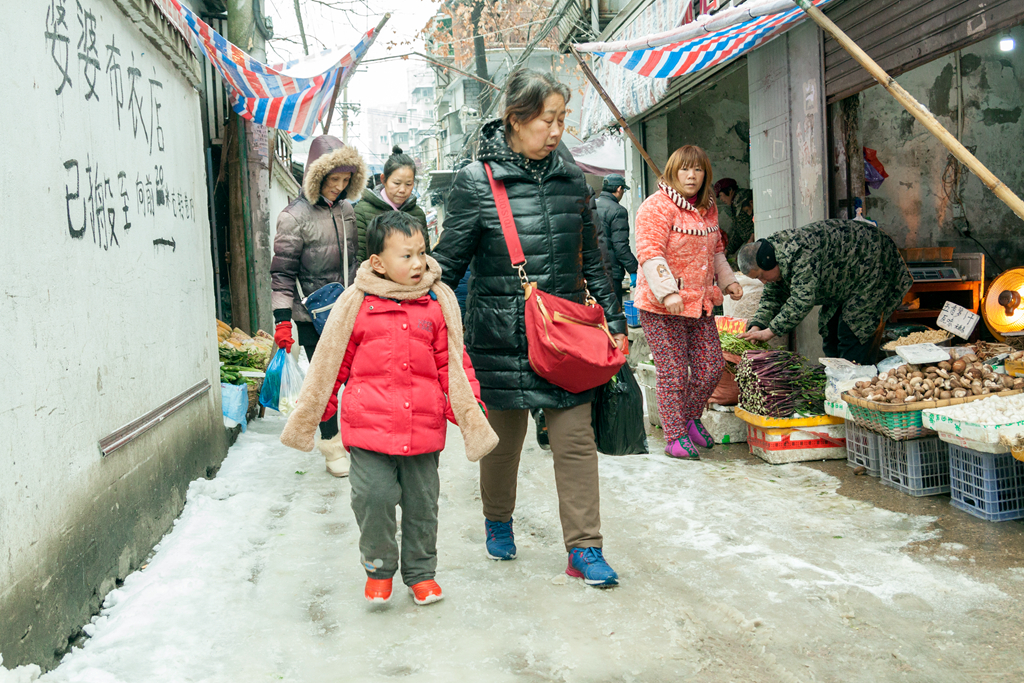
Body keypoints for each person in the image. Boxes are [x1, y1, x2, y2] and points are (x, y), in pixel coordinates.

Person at [432, 68, 627, 588]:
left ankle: (585, 549)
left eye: (563, 119)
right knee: (503, 441)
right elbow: (447, 264)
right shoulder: (476, 182)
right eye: (548, 119)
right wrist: (418, 310)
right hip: (500, 336)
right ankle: (498, 519)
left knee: (575, 440)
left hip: (565, 337)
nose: (558, 129)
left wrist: (614, 319)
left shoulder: (573, 180)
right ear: (516, 119)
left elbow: (595, 261)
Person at [282, 211, 492, 606]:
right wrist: (316, 412)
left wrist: (468, 408)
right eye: (406, 256)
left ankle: (421, 574)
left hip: (423, 428)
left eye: (422, 254)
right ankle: (378, 567)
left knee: (422, 506)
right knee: (372, 497)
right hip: (368, 429)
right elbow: (332, 361)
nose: (419, 264)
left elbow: (454, 363)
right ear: (377, 262)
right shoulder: (356, 305)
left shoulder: (436, 304)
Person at [634, 145, 743, 460]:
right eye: (684, 169)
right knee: (674, 372)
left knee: (711, 366)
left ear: (705, 174)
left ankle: (690, 417)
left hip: (699, 304)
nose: (691, 176)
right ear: (673, 172)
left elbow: (717, 250)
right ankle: (674, 435)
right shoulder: (657, 206)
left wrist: (729, 282)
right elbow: (649, 251)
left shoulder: (708, 207)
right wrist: (668, 292)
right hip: (660, 306)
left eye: (697, 170)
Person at [270, 134, 366, 477]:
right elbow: (281, 273)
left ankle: (356, 436)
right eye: (332, 180)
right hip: (311, 315)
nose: (338, 187)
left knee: (355, 376)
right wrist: (283, 322)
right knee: (324, 380)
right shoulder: (292, 218)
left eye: (344, 180)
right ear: (315, 176)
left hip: (348, 308)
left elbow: (354, 263)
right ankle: (332, 444)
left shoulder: (347, 211)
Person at [736, 219, 913, 365]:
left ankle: (855, 388)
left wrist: (769, 332)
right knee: (830, 333)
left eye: (761, 276)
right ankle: (838, 385)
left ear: (768, 262)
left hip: (871, 263)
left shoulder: (800, 254)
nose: (763, 282)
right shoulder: (773, 259)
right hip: (843, 279)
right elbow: (771, 297)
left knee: (854, 332)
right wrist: (757, 326)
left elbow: (801, 301)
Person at [355, 146, 429, 262]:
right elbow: (358, 258)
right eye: (397, 183)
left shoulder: (417, 213)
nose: (402, 190)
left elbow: (426, 256)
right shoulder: (363, 211)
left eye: (408, 184)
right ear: (383, 179)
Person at [596, 174, 639, 308]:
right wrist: (634, 269)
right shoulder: (618, 211)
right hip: (610, 271)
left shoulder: (589, 205)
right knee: (612, 313)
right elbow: (620, 246)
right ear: (619, 189)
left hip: (590, 270)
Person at [714, 178, 754, 266]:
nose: (720, 199)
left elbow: (755, 221)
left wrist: (751, 239)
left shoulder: (743, 199)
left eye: (721, 195)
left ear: (730, 190)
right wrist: (727, 251)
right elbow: (738, 232)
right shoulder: (734, 205)